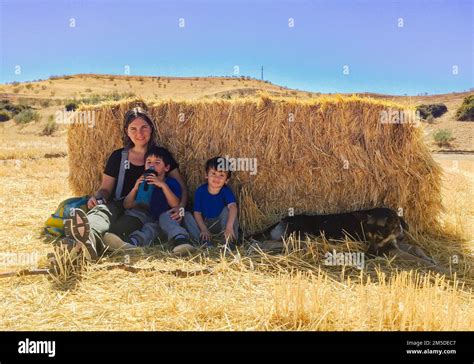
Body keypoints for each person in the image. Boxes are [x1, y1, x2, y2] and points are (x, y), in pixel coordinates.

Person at [61, 107, 188, 261]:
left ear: (151, 129)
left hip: (143, 209)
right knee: (101, 211)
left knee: (121, 227)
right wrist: (98, 197)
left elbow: (181, 187)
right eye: (133, 129)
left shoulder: (160, 156)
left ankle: (88, 247)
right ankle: (85, 236)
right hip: (119, 202)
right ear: (126, 131)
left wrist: (180, 207)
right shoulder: (118, 157)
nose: (139, 133)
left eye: (144, 128)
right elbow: (105, 189)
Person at [102, 146, 195, 255]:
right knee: (149, 228)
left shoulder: (170, 183)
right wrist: (135, 188)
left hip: (167, 218)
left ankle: (181, 240)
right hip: (151, 218)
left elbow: (175, 204)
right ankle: (132, 243)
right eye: (148, 162)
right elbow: (127, 205)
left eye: (157, 163)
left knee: (164, 218)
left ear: (166, 168)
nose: (152, 165)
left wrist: (163, 185)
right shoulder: (144, 183)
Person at [183, 156, 239, 247]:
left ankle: (228, 241)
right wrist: (204, 229)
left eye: (221, 175)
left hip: (220, 224)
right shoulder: (200, 191)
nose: (217, 178)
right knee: (186, 215)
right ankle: (202, 241)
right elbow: (197, 212)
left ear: (227, 180)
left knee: (228, 210)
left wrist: (229, 227)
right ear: (206, 175)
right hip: (204, 224)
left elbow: (233, 206)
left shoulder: (226, 191)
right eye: (213, 173)